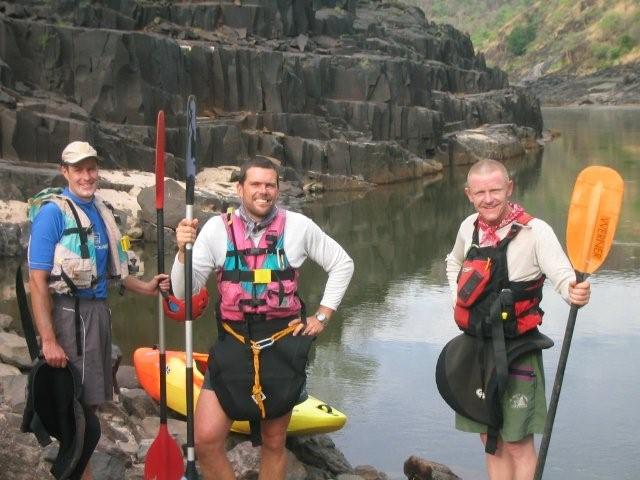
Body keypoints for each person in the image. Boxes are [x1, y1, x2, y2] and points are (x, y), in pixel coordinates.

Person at [171, 156, 354, 480]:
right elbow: (183, 292)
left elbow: (342, 263)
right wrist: (182, 253)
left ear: (278, 189)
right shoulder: (216, 229)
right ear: (240, 188)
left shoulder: (298, 226)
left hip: (281, 345)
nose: (263, 191)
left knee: (273, 441)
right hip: (233, 343)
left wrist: (323, 316)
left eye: (270, 184)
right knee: (205, 439)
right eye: (255, 184)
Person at [28, 140, 169, 480]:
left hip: (97, 315)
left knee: (87, 405)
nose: (87, 176)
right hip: (69, 315)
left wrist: (147, 286)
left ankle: (80, 469)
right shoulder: (53, 214)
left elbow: (114, 273)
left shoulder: (101, 211)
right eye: (79, 169)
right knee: (75, 408)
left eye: (91, 168)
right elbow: (37, 281)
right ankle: (74, 470)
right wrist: (48, 340)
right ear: (65, 172)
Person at [443, 159, 591, 480]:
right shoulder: (469, 227)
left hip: (517, 349)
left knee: (517, 442)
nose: (488, 198)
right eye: (480, 192)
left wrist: (573, 291)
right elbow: (453, 261)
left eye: (495, 190)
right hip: (476, 349)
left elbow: (563, 277)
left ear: (509, 187)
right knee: (490, 439)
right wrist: (457, 296)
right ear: (469, 194)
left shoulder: (536, 232)